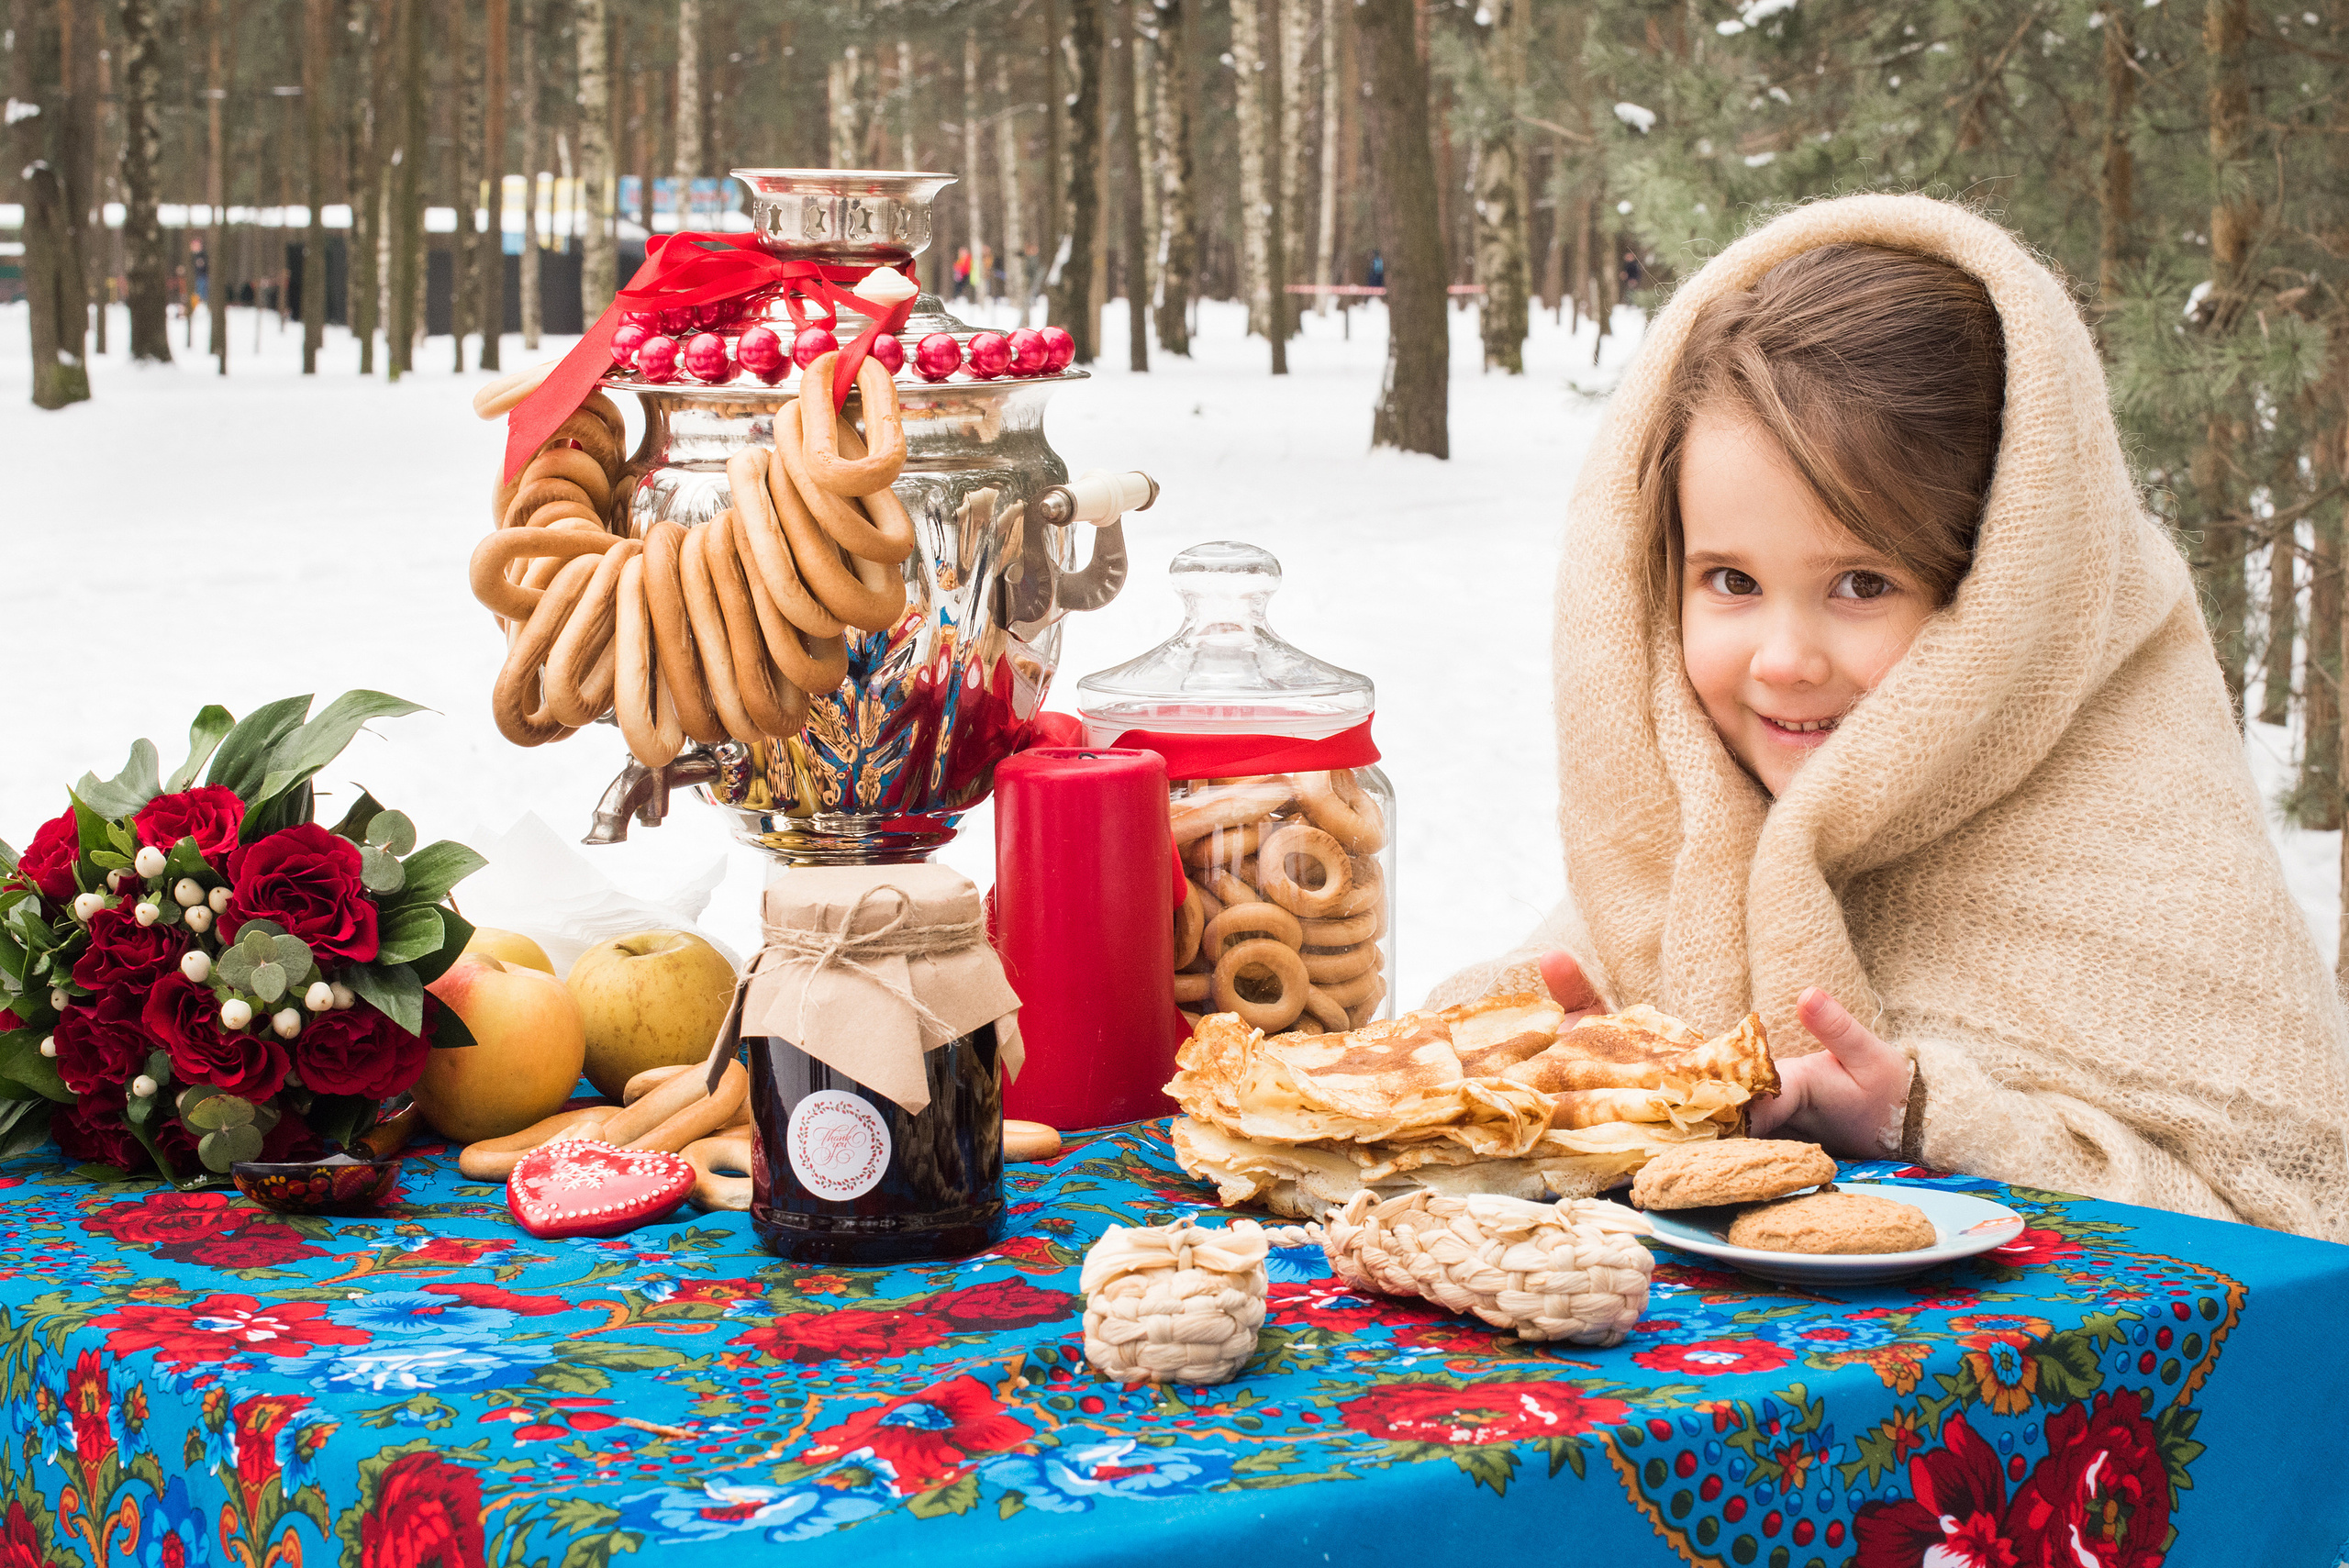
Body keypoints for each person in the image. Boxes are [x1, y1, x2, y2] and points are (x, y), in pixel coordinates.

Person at [1434, 195, 2349, 1240]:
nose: (1783, 660)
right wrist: (1534, 1064)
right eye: (1730, 578)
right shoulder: (1690, 825)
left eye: (1862, 584)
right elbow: (1546, 1012)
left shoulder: (2137, 833)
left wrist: (1930, 1116)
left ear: (2003, 597)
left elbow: (2301, 1223)